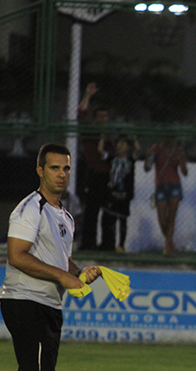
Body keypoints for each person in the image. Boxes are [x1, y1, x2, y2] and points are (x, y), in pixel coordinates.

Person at [1, 143, 101, 371]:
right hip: (24, 299)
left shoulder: (64, 214)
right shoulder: (30, 208)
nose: (62, 174)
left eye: (67, 168)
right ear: (40, 170)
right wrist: (64, 276)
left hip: (47, 303)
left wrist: (78, 272)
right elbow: (16, 255)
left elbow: (61, 259)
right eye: (55, 168)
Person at [77, 82, 114, 250]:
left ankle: (107, 245)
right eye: (100, 117)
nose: (103, 120)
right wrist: (87, 95)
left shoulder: (110, 137)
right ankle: (88, 244)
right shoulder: (90, 134)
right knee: (91, 211)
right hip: (94, 175)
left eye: (105, 117)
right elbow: (81, 115)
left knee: (109, 212)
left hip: (109, 177)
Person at [144, 137, 188, 254]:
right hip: (161, 185)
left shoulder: (178, 150)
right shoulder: (156, 149)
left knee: (171, 216)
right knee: (162, 219)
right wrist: (148, 157)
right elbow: (147, 168)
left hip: (174, 184)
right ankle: (170, 243)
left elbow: (185, 172)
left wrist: (180, 162)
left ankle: (168, 246)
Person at [100, 136, 139, 253]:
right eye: (118, 144)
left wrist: (134, 137)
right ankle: (109, 244)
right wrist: (103, 137)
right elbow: (101, 151)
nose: (119, 147)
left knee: (123, 219)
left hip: (124, 195)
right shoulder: (112, 159)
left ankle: (121, 245)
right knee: (110, 219)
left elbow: (138, 150)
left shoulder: (130, 160)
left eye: (122, 144)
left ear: (128, 147)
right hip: (112, 193)